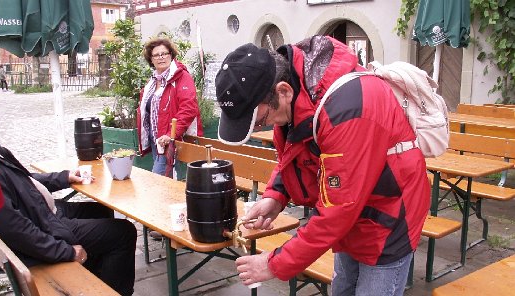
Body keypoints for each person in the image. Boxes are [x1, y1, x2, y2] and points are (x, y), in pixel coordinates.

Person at [215, 36, 430, 295]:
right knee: (342, 290)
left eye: (260, 120)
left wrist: (274, 264)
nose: (263, 126)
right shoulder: (296, 98)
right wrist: (276, 195)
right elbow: (293, 154)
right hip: (352, 216)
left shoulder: (349, 109)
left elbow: (337, 211)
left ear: (283, 91)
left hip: (389, 218)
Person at [0, 109, 137, 295]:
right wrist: (66, 252)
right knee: (124, 232)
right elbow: (18, 231)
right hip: (44, 224)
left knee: (101, 210)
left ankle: (97, 278)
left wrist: (64, 177)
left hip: (44, 211)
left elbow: (25, 181)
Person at [137, 37, 203, 177]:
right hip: (155, 139)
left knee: (158, 180)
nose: (161, 57)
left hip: (169, 140)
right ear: (151, 59)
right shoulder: (153, 82)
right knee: (165, 182)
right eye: (156, 55)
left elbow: (188, 109)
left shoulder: (181, 77)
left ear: (171, 55)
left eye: (164, 53)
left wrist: (170, 135)